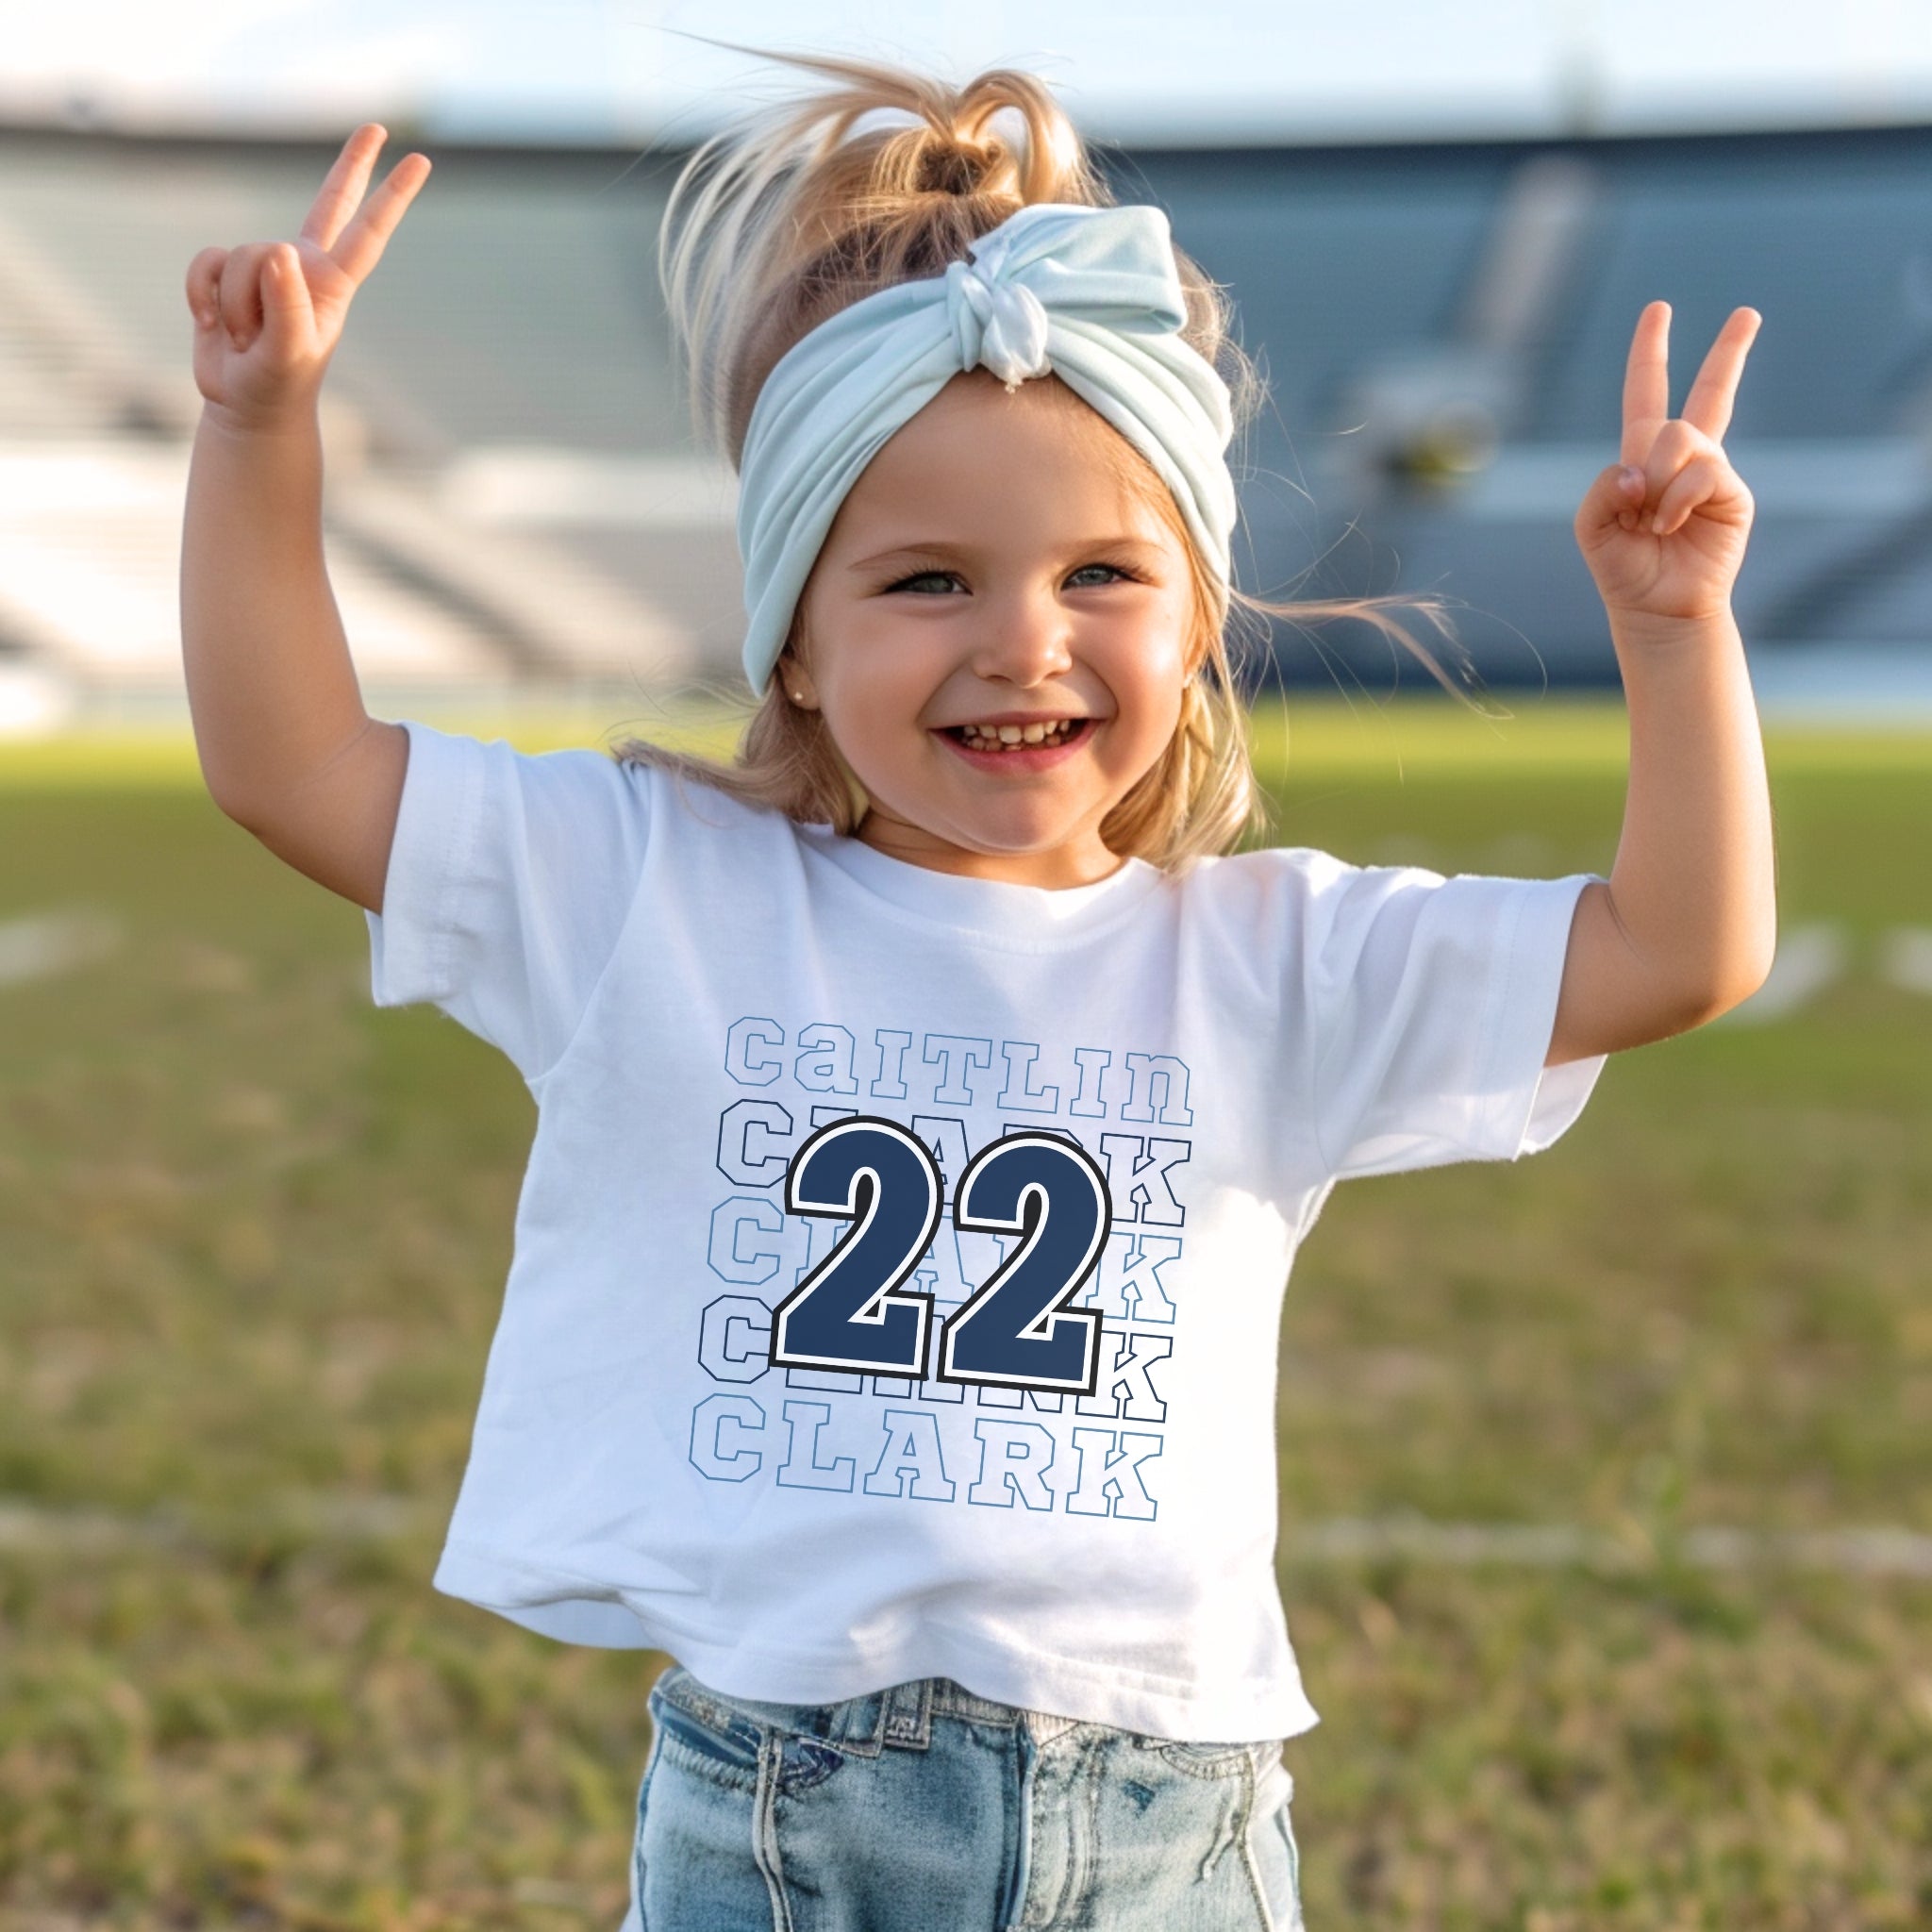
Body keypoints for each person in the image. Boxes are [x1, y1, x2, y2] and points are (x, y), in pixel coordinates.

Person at [178, 51, 1775, 1932]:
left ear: (1195, 622)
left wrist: (1675, 637)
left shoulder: (1268, 956)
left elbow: (1675, 952)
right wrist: (262, 429)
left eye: (1102, 569)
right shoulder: (655, 890)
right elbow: (293, 765)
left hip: (1167, 1825)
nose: (1023, 638)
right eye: (926, 579)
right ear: (794, 634)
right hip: (786, 1817)